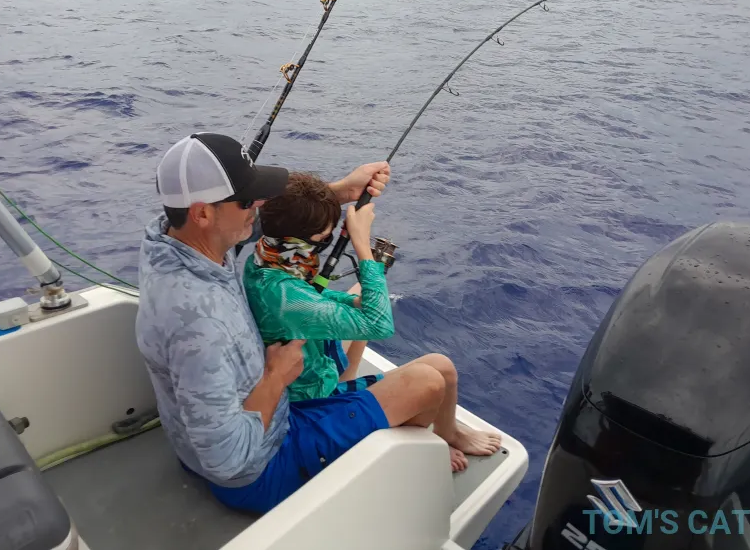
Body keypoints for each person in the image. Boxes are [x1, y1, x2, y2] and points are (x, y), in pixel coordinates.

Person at [135, 132, 502, 515]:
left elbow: (268, 226)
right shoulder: (199, 324)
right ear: (202, 213)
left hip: (269, 412)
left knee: (438, 368)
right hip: (261, 466)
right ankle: (396, 464)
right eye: (247, 201)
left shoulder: (175, 243)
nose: (258, 208)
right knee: (428, 382)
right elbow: (227, 461)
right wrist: (276, 377)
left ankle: (422, 435)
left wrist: (338, 193)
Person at [243, 171, 394, 403]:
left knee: (359, 297)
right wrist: (362, 244)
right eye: (323, 238)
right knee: (435, 371)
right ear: (297, 241)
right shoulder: (282, 295)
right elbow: (379, 325)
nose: (324, 244)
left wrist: (351, 302)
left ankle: (347, 378)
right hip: (308, 398)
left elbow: (305, 293)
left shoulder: (266, 257)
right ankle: (343, 400)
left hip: (312, 364)